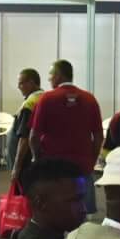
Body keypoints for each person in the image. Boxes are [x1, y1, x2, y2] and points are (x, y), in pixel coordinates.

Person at [29, 60, 104, 207]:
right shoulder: (90, 99)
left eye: (51, 74)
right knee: (81, 210)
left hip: (53, 168)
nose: (49, 78)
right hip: (82, 166)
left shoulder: (46, 99)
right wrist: (91, 159)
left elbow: (34, 137)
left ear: (58, 75)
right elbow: (98, 137)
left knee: (54, 208)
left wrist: (38, 160)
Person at [10, 68, 44, 175]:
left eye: (21, 83)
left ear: (31, 83)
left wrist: (16, 167)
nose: (18, 87)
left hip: (25, 163)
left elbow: (24, 138)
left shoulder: (30, 103)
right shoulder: (44, 98)